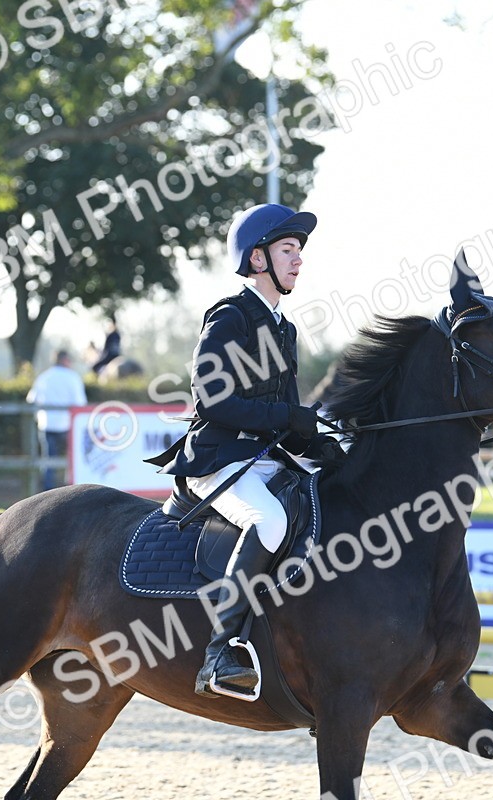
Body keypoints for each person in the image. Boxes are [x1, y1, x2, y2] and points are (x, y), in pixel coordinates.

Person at [145, 203, 345, 699]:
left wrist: (320, 443)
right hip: (219, 462)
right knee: (270, 521)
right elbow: (211, 399)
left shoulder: (284, 327)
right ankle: (220, 651)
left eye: (298, 251)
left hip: (263, 460)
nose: (298, 261)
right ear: (258, 260)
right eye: (287, 250)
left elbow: (285, 413)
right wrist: (285, 419)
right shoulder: (231, 316)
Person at [27, 350, 87, 490]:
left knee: (48, 461)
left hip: (47, 424)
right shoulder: (73, 377)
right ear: (65, 360)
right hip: (68, 426)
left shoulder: (44, 377)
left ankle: (47, 493)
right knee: (73, 459)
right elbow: (80, 403)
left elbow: (31, 399)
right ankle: (72, 490)